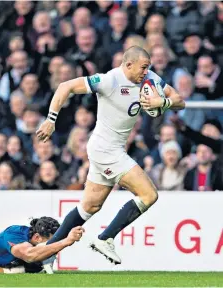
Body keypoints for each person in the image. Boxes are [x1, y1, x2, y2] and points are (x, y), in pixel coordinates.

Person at [36, 46, 185, 266]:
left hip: (109, 148)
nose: (147, 72)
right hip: (106, 149)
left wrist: (162, 102)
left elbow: (180, 100)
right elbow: (65, 86)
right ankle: (106, 238)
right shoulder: (109, 81)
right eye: (143, 67)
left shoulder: (150, 79)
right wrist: (51, 119)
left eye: (148, 67)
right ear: (128, 65)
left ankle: (45, 256)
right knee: (149, 195)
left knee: (90, 207)